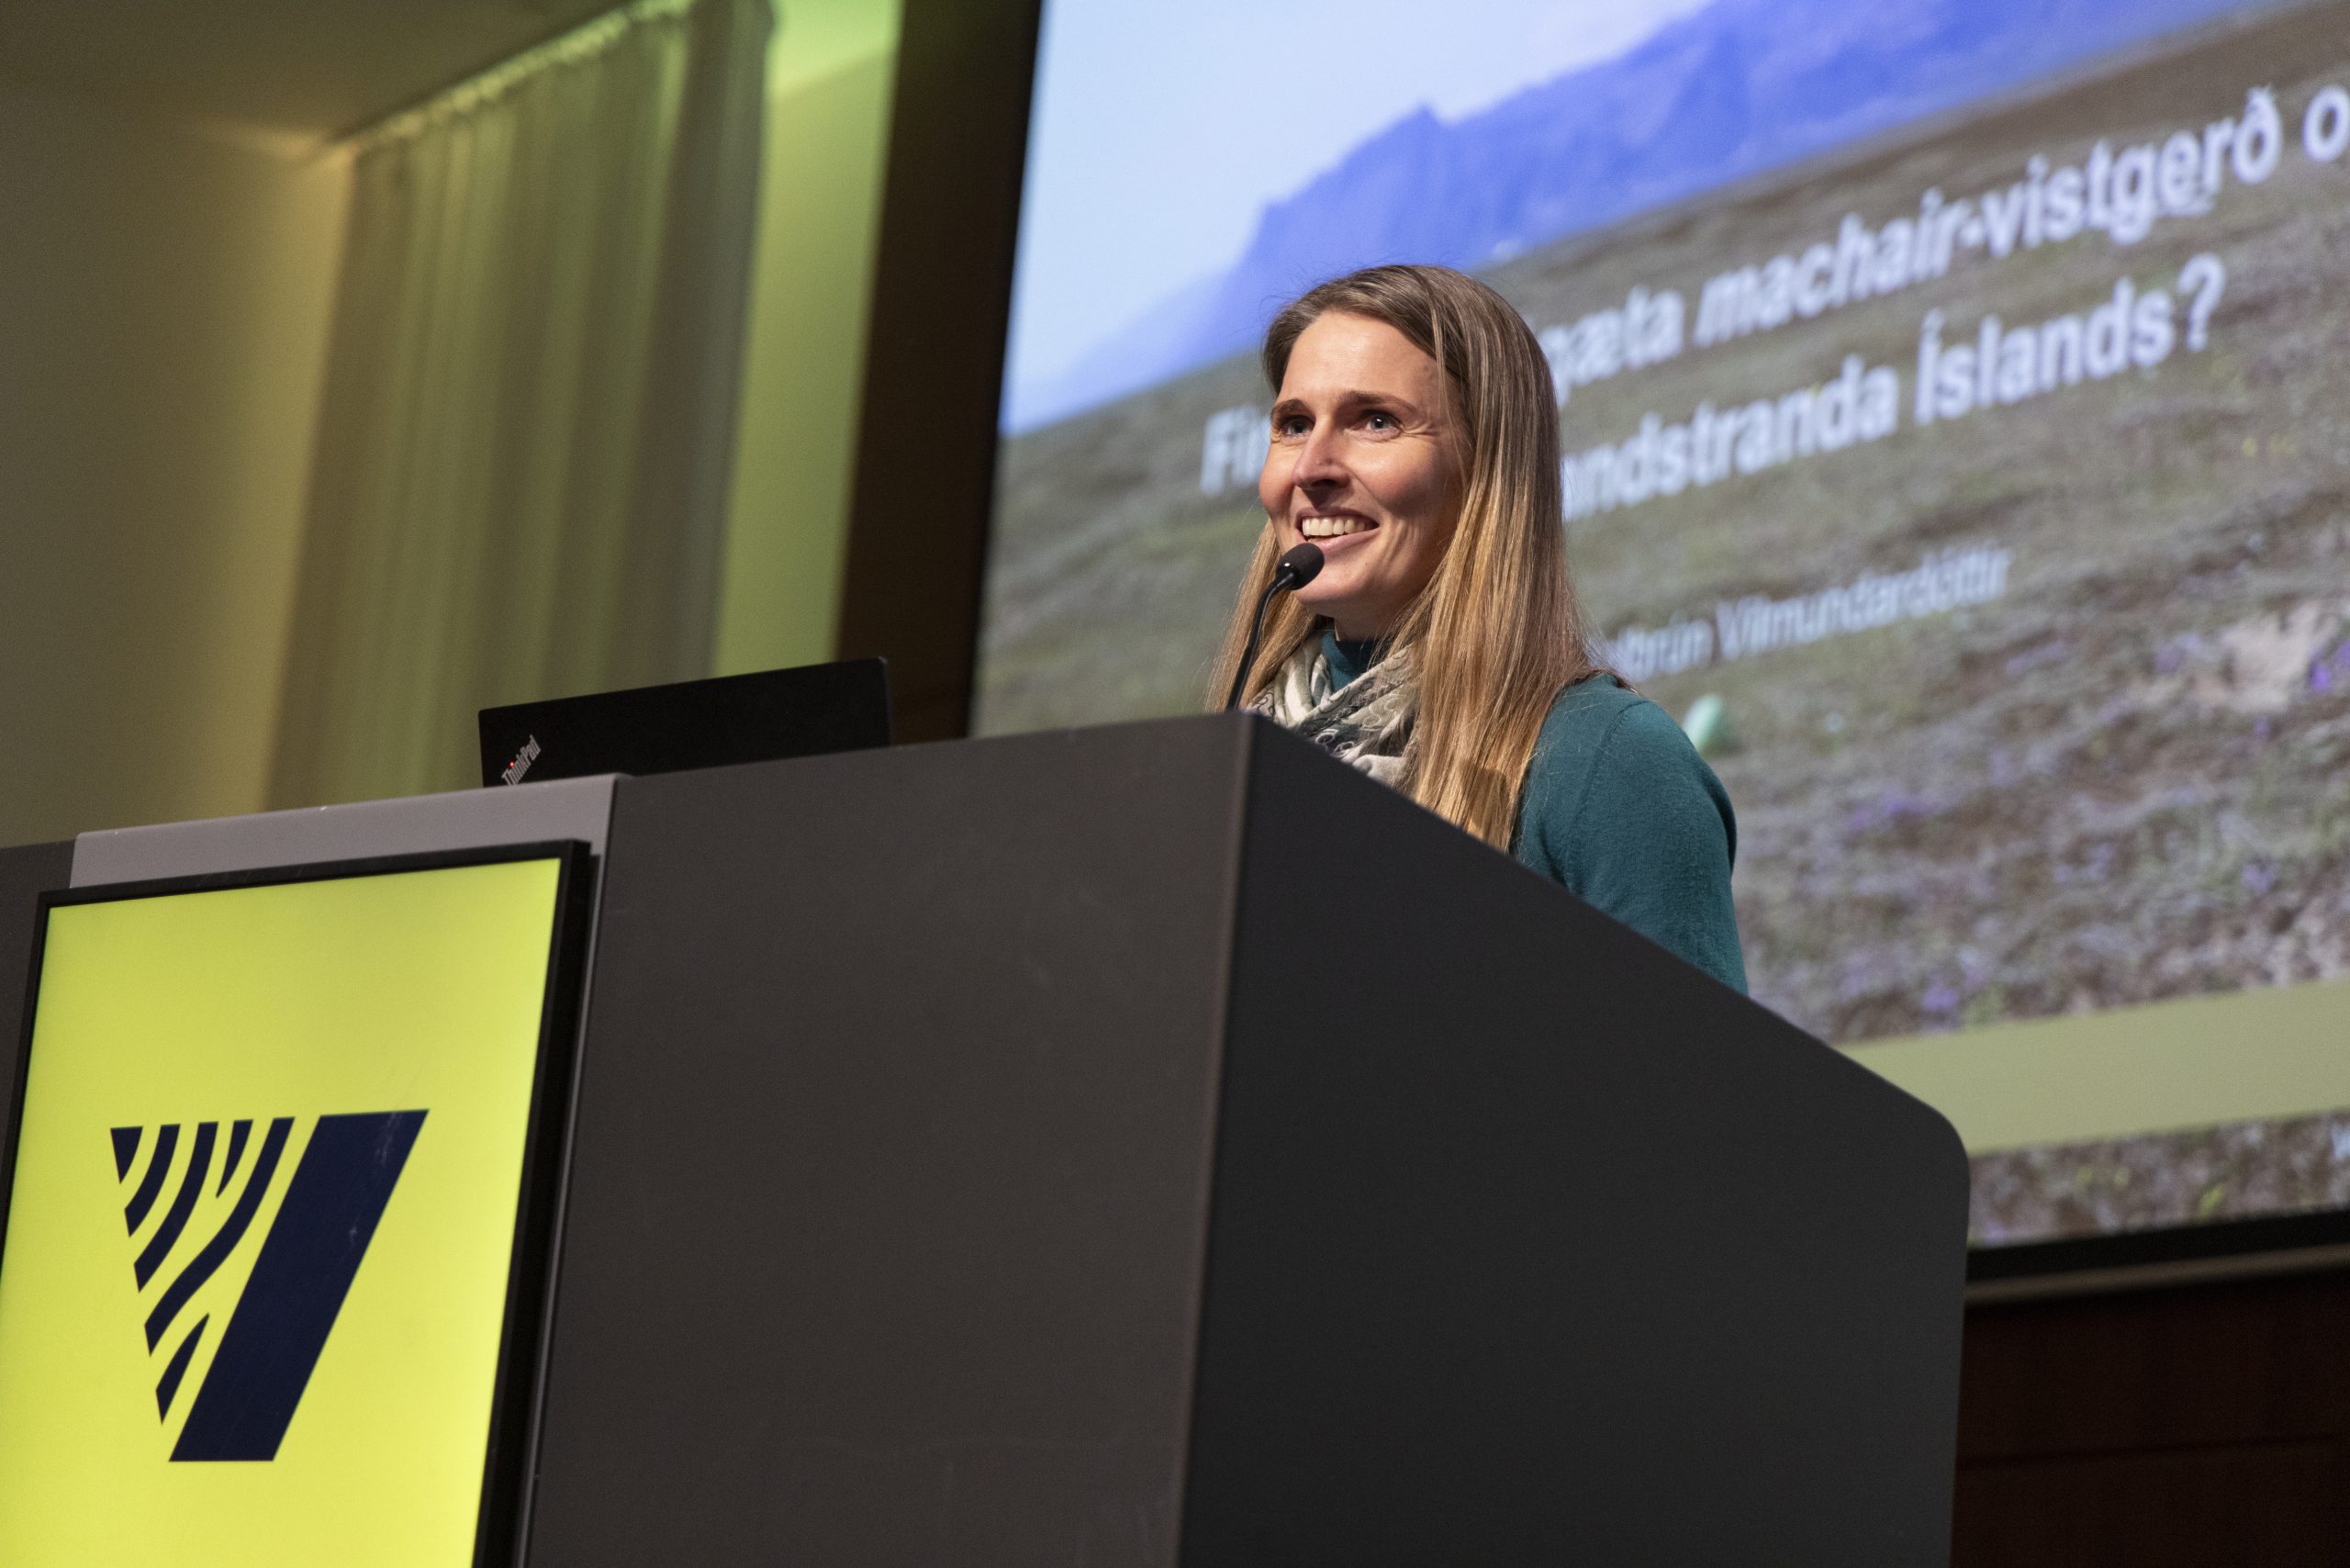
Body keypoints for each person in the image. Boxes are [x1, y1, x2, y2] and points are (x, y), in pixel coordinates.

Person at [1210, 263, 1746, 991]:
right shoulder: (1232, 767)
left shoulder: (1608, 763)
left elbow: (1691, 1066)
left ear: (1486, 466)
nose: (1311, 467)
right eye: (1294, 424)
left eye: (1375, 421)